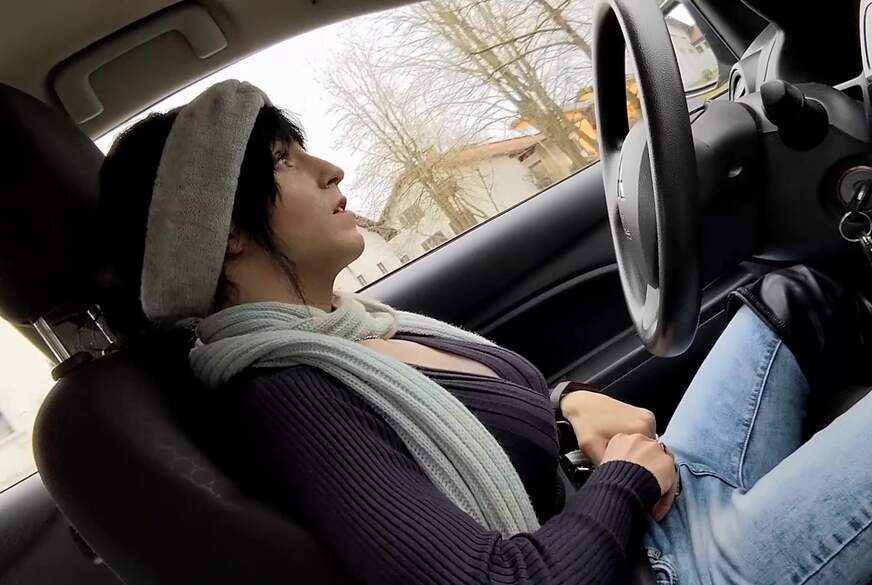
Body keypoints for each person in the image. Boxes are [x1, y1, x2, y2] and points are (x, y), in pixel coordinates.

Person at [97, 80, 872, 585]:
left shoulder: (353, 330)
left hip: (637, 524)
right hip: (665, 569)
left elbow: (487, 420)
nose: (330, 169)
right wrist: (624, 481)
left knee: (798, 295)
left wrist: (569, 403)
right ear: (224, 232)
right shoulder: (289, 394)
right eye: (285, 161)